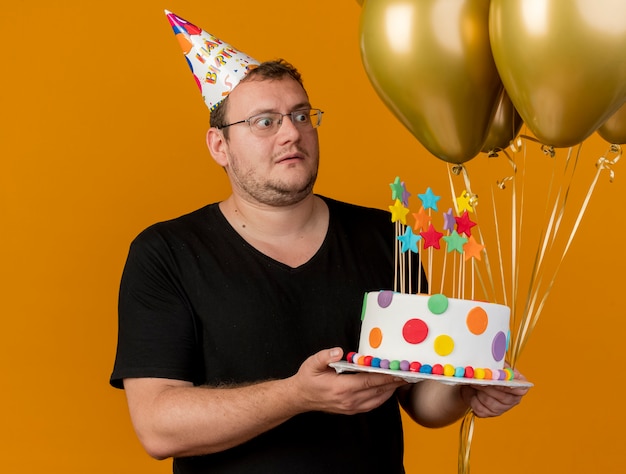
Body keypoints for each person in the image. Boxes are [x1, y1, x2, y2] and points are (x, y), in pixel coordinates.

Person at [111, 12, 528, 473]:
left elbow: (419, 398)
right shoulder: (166, 253)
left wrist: (463, 388)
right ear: (219, 146)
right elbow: (157, 426)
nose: (291, 132)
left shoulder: (387, 236)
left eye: (301, 115)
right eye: (265, 121)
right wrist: (296, 395)